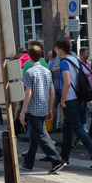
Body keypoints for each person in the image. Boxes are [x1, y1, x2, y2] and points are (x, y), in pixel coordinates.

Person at [55, 39, 92, 170]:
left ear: (60, 49)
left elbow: (67, 82)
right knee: (67, 129)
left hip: (69, 99)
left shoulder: (64, 62)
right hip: (78, 97)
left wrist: (62, 100)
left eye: (56, 48)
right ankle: (64, 158)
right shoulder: (75, 60)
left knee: (77, 128)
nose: (55, 51)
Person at [18, 44, 65, 173]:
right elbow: (52, 91)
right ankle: (28, 164)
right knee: (34, 136)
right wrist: (50, 108)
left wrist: (22, 112)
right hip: (43, 107)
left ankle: (57, 160)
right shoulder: (47, 71)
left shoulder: (29, 72)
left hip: (33, 109)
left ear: (29, 56)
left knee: (40, 136)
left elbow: (28, 93)